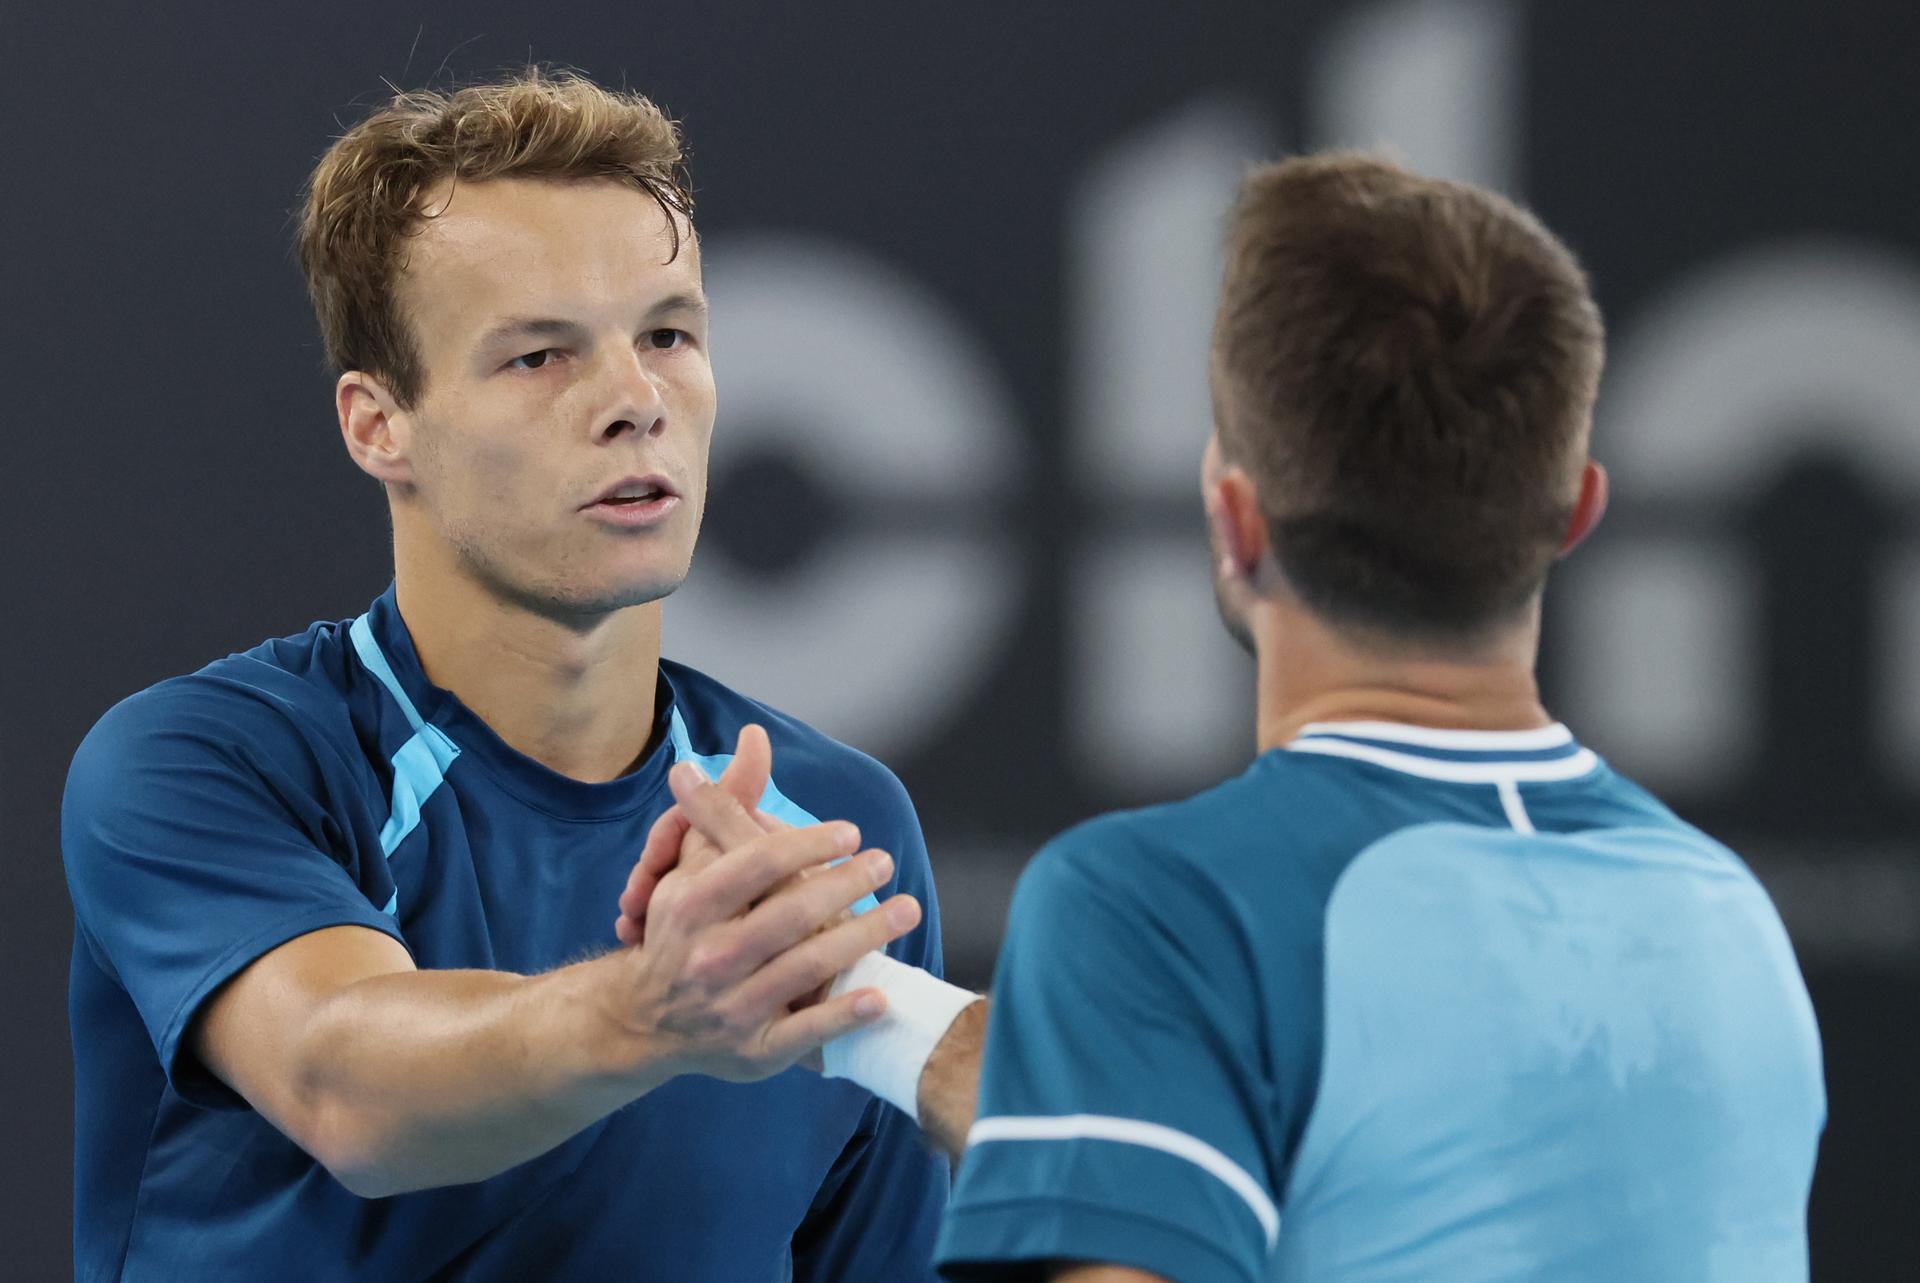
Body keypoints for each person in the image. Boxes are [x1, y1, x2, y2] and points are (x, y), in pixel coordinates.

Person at [650, 153, 1828, 1282]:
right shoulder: (1729, 919)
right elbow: (1362, 1129)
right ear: (1576, 511)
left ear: (1233, 519)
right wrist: (866, 1001)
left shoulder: (1161, 908)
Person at [61, 71, 956, 1282]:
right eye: (540, 355)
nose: (635, 401)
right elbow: (346, 1083)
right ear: (380, 425)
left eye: (668, 332)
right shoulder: (203, 759)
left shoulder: (837, 822)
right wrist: (653, 1009)